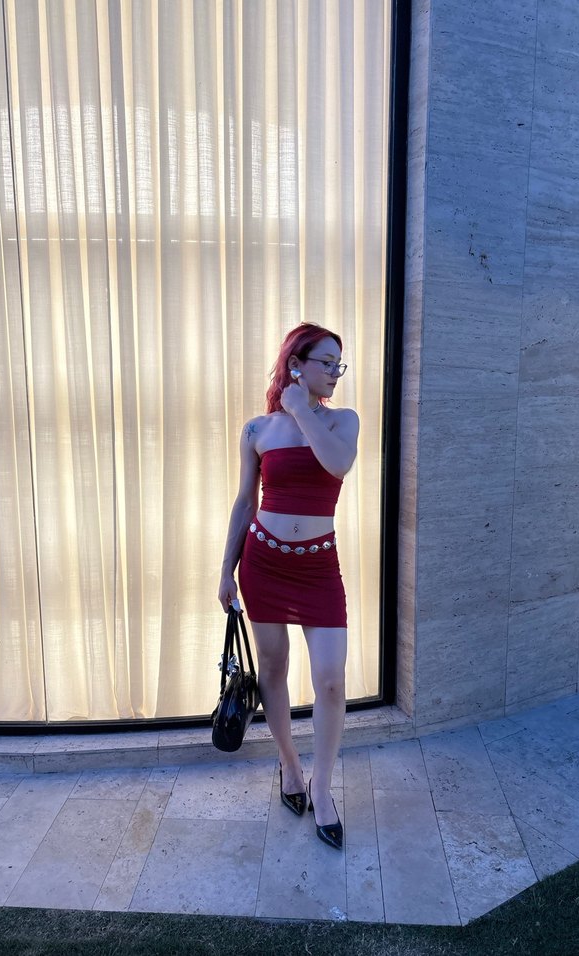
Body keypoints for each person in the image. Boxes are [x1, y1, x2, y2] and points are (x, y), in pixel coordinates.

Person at [218, 322, 359, 849]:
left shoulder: (343, 422)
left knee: (330, 680)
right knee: (273, 669)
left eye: (339, 364)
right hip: (264, 566)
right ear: (296, 364)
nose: (335, 373)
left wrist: (302, 409)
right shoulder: (257, 430)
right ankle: (290, 766)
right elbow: (244, 502)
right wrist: (226, 568)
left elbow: (337, 464)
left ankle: (322, 786)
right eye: (327, 362)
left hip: (318, 569)